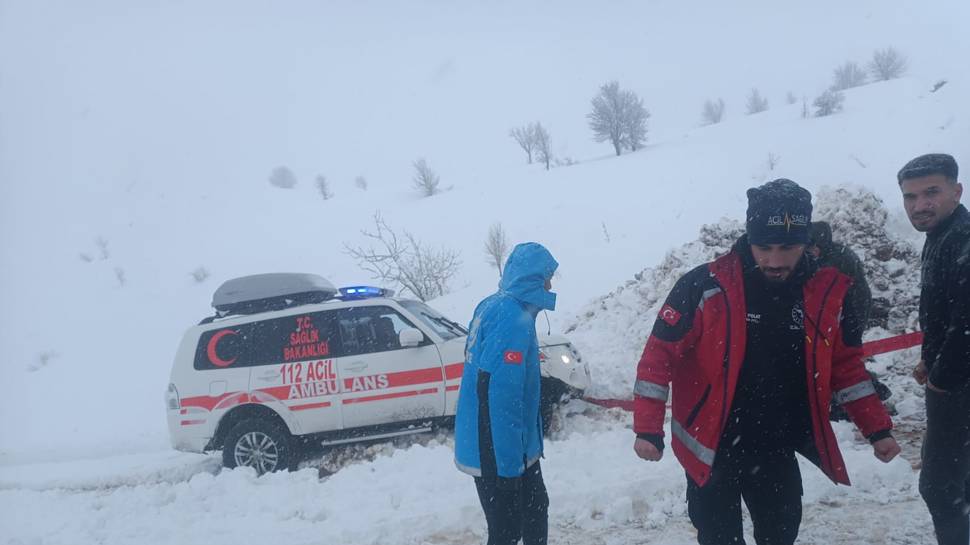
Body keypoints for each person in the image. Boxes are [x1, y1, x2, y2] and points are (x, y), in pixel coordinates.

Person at [632, 178, 900, 545]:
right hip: (711, 446)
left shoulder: (828, 293)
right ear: (748, 239)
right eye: (764, 247)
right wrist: (648, 429)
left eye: (788, 247)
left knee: (780, 534)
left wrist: (877, 429)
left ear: (807, 243)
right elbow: (657, 357)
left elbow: (846, 369)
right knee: (719, 538)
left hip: (776, 445)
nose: (775, 261)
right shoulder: (704, 287)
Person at [454, 242, 558, 545]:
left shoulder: (494, 305)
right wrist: (507, 469)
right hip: (498, 452)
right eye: (546, 276)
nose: (550, 284)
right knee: (507, 531)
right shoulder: (513, 319)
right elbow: (498, 397)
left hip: (507, 446)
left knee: (534, 512)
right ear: (532, 278)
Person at [898, 153, 970, 545]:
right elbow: (947, 310)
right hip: (953, 379)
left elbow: (968, 325)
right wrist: (930, 355)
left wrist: (942, 378)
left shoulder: (964, 239)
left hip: (959, 388)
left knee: (940, 487)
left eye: (931, 193)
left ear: (956, 192)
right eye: (910, 197)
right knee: (961, 481)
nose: (919, 205)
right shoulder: (942, 236)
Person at [809, 221, 893, 420]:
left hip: (849, 315)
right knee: (838, 359)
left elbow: (831, 292)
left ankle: (858, 401)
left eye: (813, 246)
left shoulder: (836, 258)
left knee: (842, 360)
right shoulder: (834, 254)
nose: (811, 250)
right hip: (848, 312)